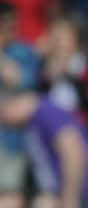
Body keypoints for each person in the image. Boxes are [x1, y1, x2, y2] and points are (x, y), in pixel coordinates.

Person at [0, 91, 88, 208]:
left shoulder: (47, 111)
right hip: (68, 193)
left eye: (3, 116)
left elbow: (73, 153)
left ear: (11, 105)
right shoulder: (34, 118)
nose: (5, 123)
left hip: (84, 191)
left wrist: (70, 200)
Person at [0, 0, 37, 190]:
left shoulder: (23, 51)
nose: (9, 28)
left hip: (11, 140)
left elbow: (24, 81)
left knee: (9, 197)